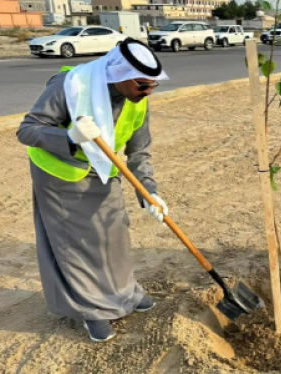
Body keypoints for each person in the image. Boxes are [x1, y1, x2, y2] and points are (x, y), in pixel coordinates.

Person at [16, 38, 170, 343]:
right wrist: (70, 137)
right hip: (60, 174)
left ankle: (125, 293)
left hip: (104, 172)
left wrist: (149, 192)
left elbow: (139, 153)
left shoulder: (138, 101)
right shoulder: (70, 85)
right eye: (143, 85)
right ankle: (91, 310)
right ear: (120, 76)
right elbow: (27, 130)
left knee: (114, 233)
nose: (149, 91)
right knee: (76, 243)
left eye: (154, 85)